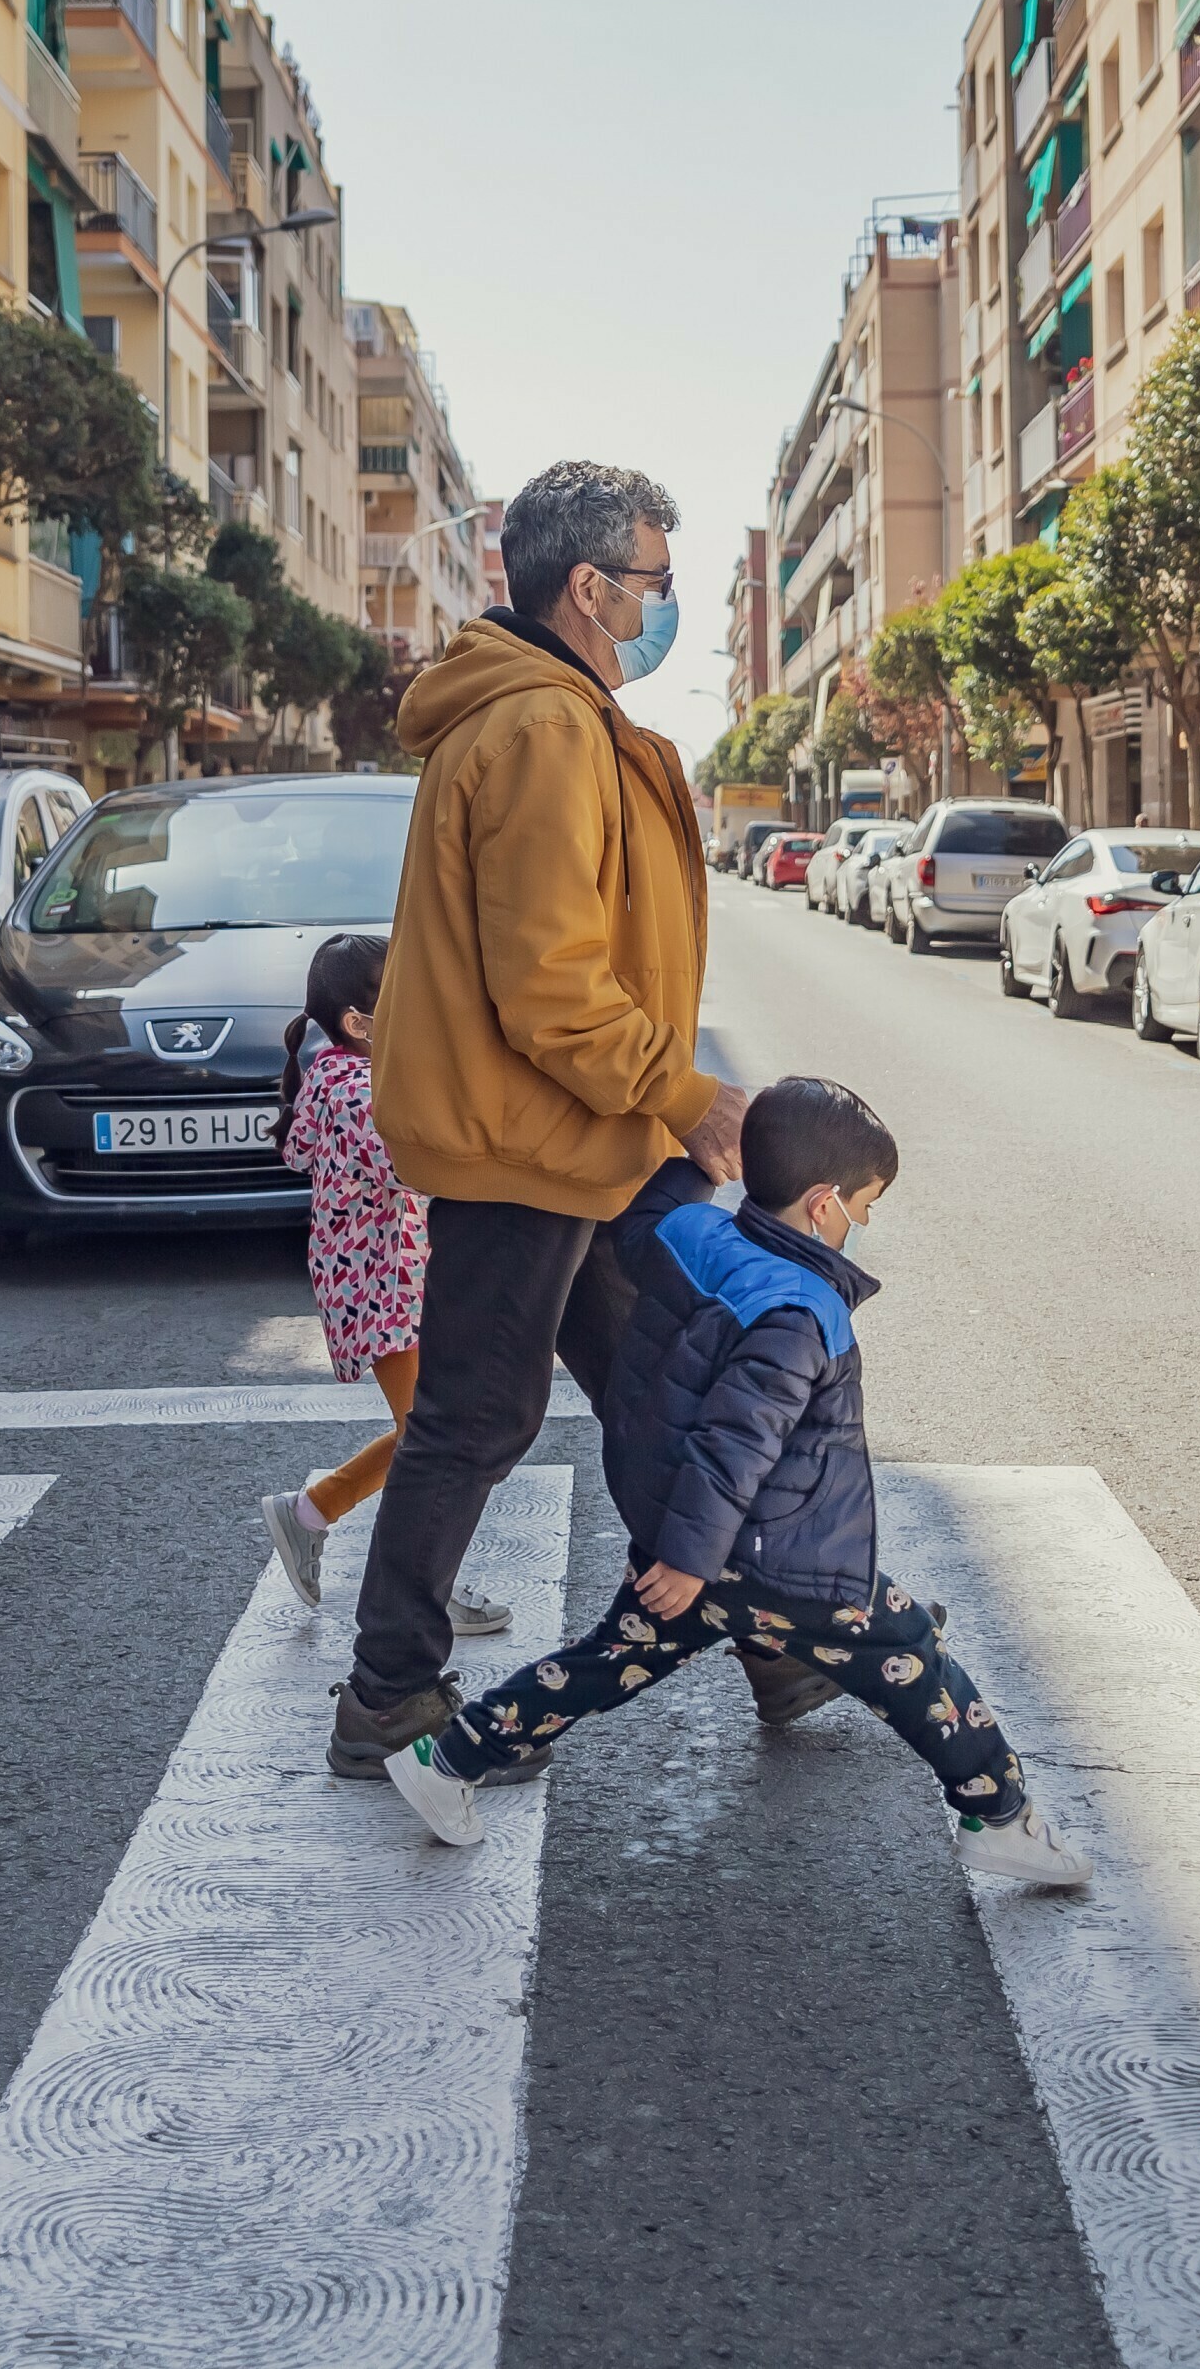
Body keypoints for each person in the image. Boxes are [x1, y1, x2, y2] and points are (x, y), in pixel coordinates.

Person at [382, 1077, 1091, 1890]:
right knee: (910, 1654)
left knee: (606, 1659)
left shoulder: (690, 1234)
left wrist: (697, 1163)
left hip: (687, 1536)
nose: (860, 1223)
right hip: (772, 1554)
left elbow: (641, 1218)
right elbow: (736, 1443)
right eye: (863, 1206)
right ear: (822, 1202)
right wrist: (690, 1557)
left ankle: (450, 1758)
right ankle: (997, 1814)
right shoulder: (800, 1309)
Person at [332, 460, 758, 1778]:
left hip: (589, 1136)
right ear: (587, 587)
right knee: (475, 1411)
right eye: (651, 582)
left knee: (662, 1388)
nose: (660, 606)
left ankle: (772, 1633)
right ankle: (386, 1694)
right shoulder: (543, 730)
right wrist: (688, 1092)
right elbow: (551, 985)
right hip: (533, 1137)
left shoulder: (548, 712)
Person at [256, 932, 508, 1636]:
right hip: (380, 1282)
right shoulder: (358, 1088)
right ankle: (427, 1587)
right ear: (359, 1021)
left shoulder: (333, 1077)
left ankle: (310, 1511)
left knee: (425, 1430)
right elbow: (413, 1169)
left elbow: (302, 1149)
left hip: (380, 1277)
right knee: (436, 1437)